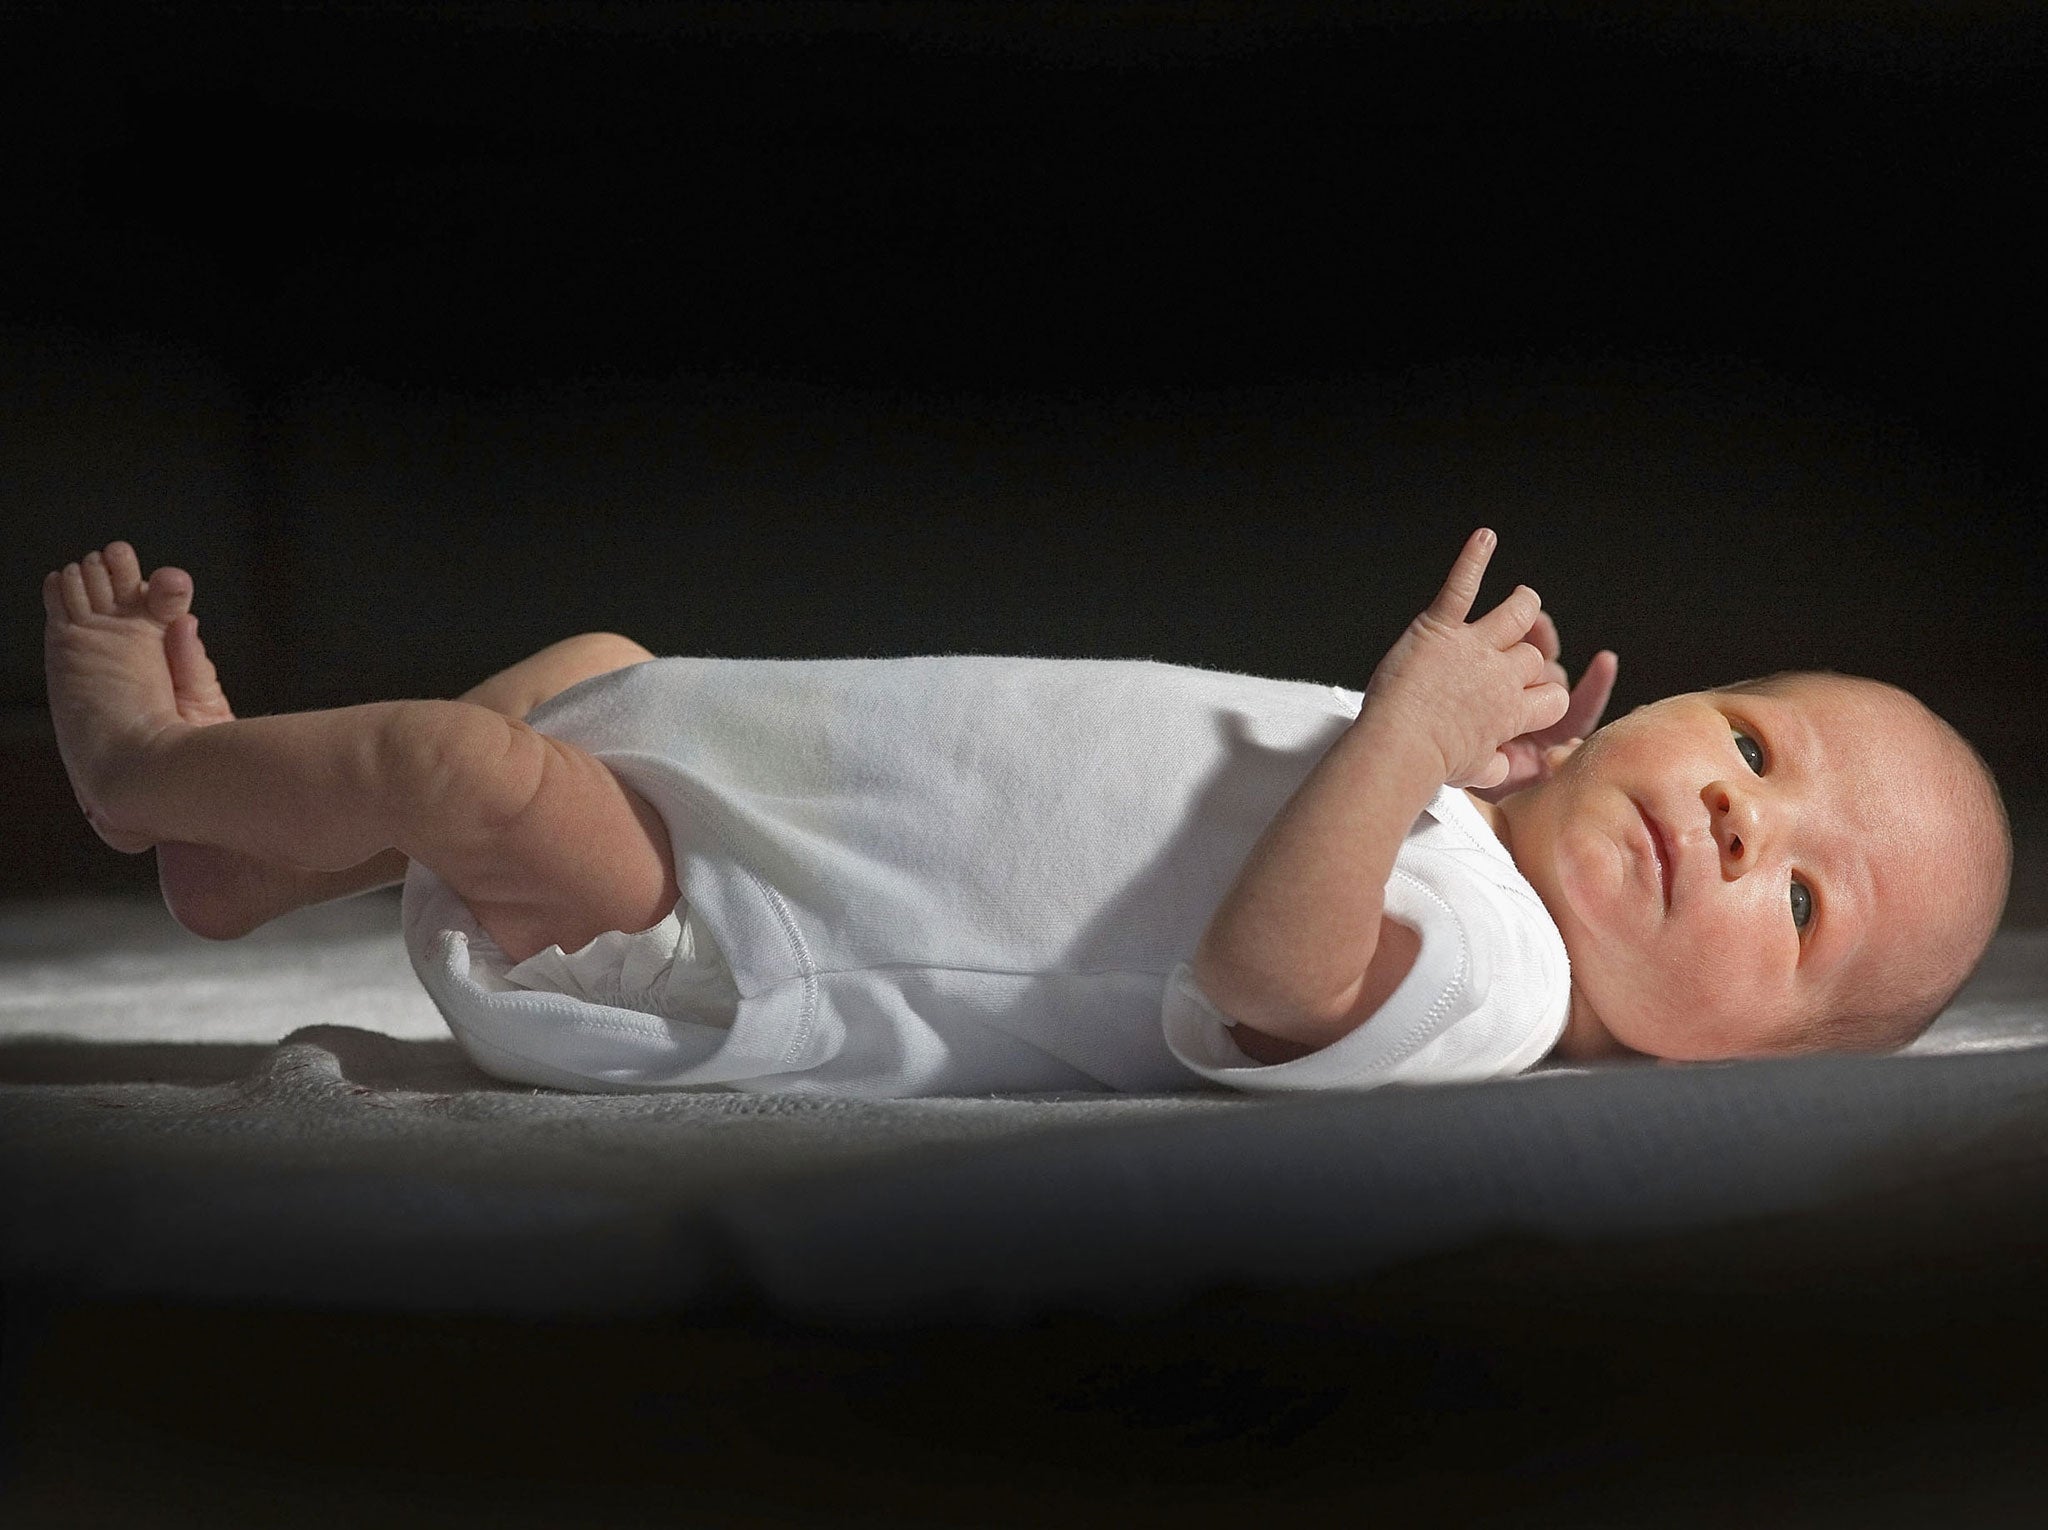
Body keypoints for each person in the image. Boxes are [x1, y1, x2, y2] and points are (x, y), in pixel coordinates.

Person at [41, 532, 2010, 1096]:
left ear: (1758, 1054)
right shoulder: (1465, 837)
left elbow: (1260, 974)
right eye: (1757, 753)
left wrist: (1403, 734)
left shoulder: (1489, 988)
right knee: (584, 661)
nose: (1748, 833)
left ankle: (144, 786)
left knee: (462, 775)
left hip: (731, 921)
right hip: (745, 769)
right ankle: (255, 860)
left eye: (1809, 915)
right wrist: (1452, 760)